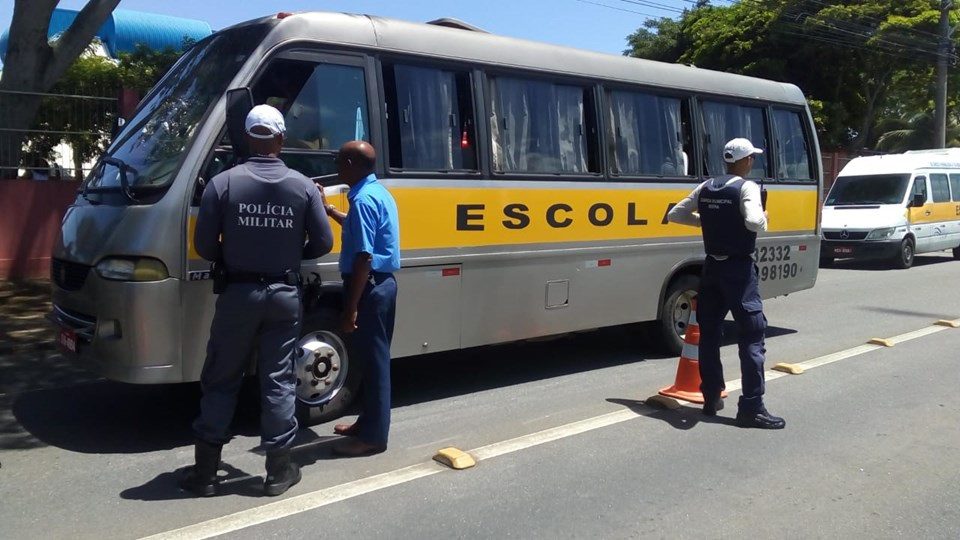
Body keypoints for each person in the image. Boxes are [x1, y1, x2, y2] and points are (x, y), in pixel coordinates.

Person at [180, 104, 334, 497]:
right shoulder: (302, 185)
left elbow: (204, 247)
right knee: (278, 380)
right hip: (284, 294)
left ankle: (206, 473)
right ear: (281, 139)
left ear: (247, 138)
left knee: (221, 378)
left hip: (237, 294)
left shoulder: (223, 183)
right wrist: (287, 250)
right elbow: (323, 242)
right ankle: (278, 472)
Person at [666, 137, 785, 429]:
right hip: (739, 272)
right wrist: (765, 217)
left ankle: (710, 398)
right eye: (752, 158)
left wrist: (707, 222)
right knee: (752, 337)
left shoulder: (706, 187)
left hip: (712, 270)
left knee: (709, 335)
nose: (752, 162)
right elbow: (755, 222)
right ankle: (752, 408)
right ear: (744, 161)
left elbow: (675, 214)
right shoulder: (747, 187)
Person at [321, 140, 400, 456]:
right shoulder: (375, 193)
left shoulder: (365, 200)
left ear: (352, 164)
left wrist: (350, 308)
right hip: (381, 284)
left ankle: (374, 437)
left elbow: (364, 257)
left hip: (369, 286)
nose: (337, 166)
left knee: (376, 363)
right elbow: (357, 229)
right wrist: (329, 210)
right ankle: (366, 422)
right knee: (369, 359)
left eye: (340, 161)